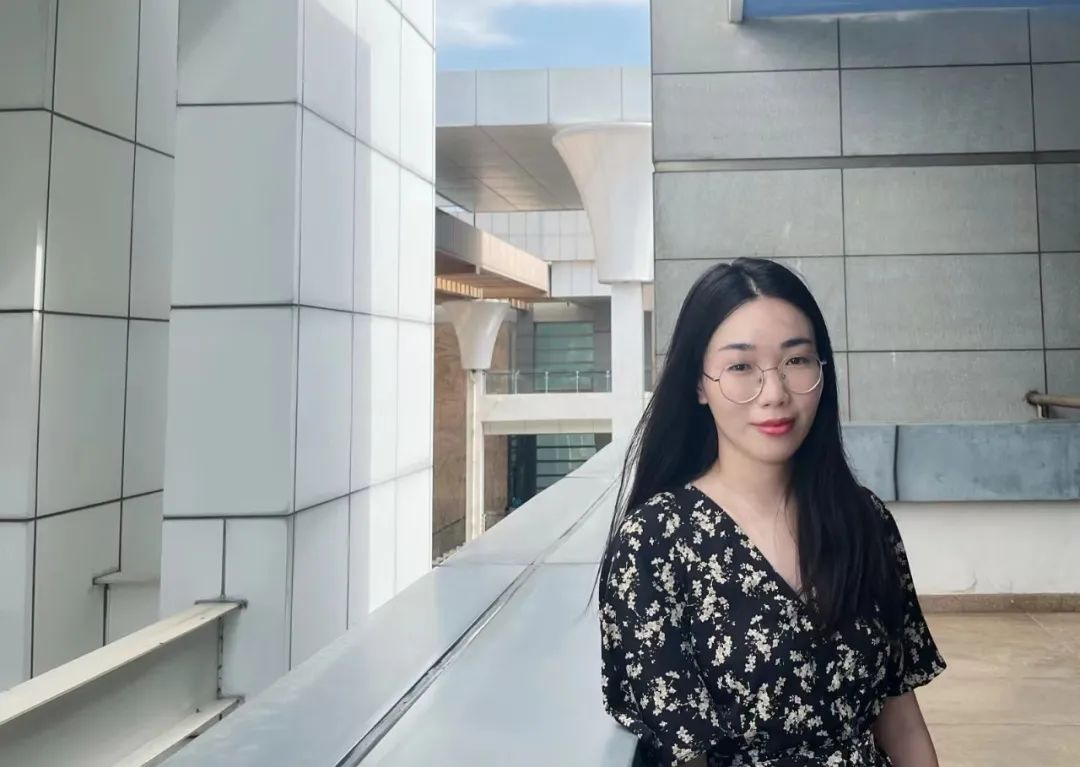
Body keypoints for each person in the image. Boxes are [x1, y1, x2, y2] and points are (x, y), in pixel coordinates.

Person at [598, 258, 946, 766]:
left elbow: (902, 720)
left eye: (796, 360)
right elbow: (685, 754)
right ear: (699, 384)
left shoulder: (864, 521)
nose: (776, 393)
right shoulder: (655, 544)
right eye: (741, 367)